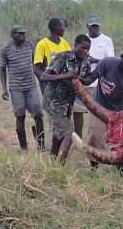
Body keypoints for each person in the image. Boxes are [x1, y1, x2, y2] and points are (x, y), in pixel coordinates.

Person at [40, 34, 91, 164]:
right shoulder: (63, 57)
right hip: (53, 102)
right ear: (75, 45)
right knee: (68, 134)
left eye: (87, 49)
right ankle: (60, 167)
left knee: (58, 137)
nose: (85, 51)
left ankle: (52, 164)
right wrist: (65, 76)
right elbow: (44, 77)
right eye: (82, 48)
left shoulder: (86, 62)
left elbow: (84, 80)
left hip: (68, 103)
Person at [0, 25, 45, 153]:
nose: (23, 36)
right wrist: (4, 89)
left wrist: (41, 79)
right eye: (19, 34)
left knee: (38, 115)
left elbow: (34, 64)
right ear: (12, 35)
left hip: (31, 86)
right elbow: (2, 70)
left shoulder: (29, 45)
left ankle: (41, 146)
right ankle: (24, 148)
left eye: (24, 33)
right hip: (16, 88)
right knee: (20, 116)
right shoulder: (6, 50)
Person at [73, 14, 114, 138]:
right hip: (81, 80)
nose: (94, 27)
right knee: (78, 112)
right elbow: (74, 56)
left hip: (99, 83)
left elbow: (110, 61)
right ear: (87, 26)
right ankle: (78, 139)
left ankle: (94, 139)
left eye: (96, 25)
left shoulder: (107, 40)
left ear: (99, 25)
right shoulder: (82, 39)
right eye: (92, 25)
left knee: (96, 114)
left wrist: (95, 60)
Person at [34, 17, 71, 95]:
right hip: (49, 85)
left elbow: (70, 61)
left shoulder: (64, 42)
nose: (64, 29)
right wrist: (46, 80)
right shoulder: (42, 44)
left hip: (63, 84)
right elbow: (37, 69)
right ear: (56, 28)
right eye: (63, 26)